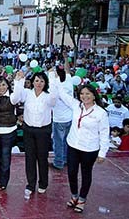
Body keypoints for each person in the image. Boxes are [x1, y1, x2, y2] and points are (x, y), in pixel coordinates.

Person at [55, 83, 109, 213]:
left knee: (86, 174)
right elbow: (63, 95)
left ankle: (82, 199)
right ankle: (74, 196)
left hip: (89, 148)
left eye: (87, 94)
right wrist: (55, 79)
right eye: (82, 94)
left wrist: (103, 153)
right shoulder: (76, 106)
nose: (84, 96)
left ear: (94, 96)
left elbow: (104, 133)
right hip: (73, 145)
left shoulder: (101, 113)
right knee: (71, 172)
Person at [12, 71, 56, 198]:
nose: (39, 83)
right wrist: (19, 80)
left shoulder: (48, 96)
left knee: (42, 158)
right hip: (29, 130)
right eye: (37, 81)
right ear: (32, 82)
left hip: (43, 130)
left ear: (45, 83)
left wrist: (52, 78)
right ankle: (30, 184)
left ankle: (43, 183)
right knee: (30, 158)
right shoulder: (27, 93)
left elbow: (53, 101)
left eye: (42, 81)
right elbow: (15, 98)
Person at [51, 55, 73, 170]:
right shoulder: (69, 80)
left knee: (58, 142)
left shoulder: (55, 84)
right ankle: (66, 159)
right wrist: (65, 58)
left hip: (59, 119)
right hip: (70, 117)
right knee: (67, 141)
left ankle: (58, 162)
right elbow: (68, 69)